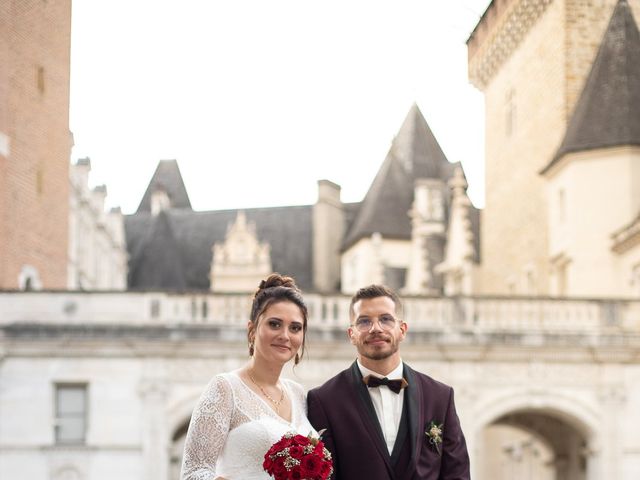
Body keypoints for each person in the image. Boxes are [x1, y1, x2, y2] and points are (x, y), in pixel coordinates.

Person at [307, 284, 470, 480]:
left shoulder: (440, 397)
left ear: (402, 330)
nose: (376, 328)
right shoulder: (324, 400)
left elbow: (457, 474)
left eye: (385, 319)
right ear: (352, 335)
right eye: (364, 321)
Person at [180, 273, 316, 480]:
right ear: (252, 330)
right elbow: (193, 471)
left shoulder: (298, 394)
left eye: (295, 328)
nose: (285, 335)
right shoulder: (225, 388)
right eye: (274, 324)